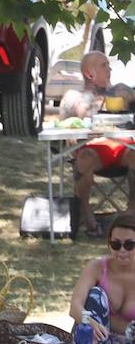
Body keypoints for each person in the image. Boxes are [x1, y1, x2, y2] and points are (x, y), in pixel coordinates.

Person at [60, 51, 135, 236]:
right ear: (89, 73)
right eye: (104, 65)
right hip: (92, 149)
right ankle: (85, 215)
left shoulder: (119, 89)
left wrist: (124, 98)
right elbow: (65, 129)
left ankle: (131, 213)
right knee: (83, 159)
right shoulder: (73, 96)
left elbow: (129, 97)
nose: (109, 69)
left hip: (124, 147)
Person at [68, 209, 135, 344]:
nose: (122, 250)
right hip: (94, 338)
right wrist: (91, 322)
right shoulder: (97, 267)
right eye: (115, 245)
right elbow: (74, 307)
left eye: (129, 245)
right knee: (95, 294)